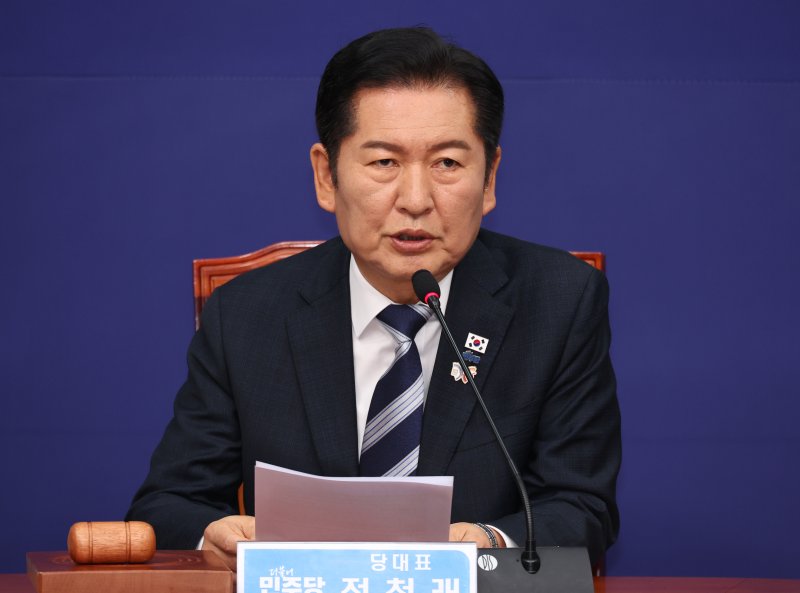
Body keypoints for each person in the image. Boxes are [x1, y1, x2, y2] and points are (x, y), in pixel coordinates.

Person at [127, 26, 621, 572]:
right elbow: (168, 505)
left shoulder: (559, 303)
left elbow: (582, 508)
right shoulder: (245, 315)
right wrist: (213, 535)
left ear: (489, 180)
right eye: (385, 162)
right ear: (327, 176)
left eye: (448, 163)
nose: (416, 200)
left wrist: (488, 544)